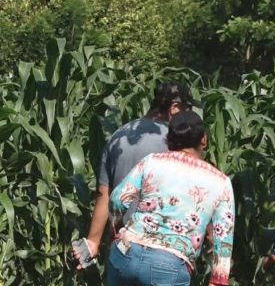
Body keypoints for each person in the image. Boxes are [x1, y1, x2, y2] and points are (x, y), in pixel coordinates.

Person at [96, 110, 234, 286]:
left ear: (169, 140)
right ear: (203, 140)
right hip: (169, 263)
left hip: (126, 250)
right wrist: (218, 282)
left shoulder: (152, 162)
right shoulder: (220, 182)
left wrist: (117, 232)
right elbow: (223, 239)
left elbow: (116, 199)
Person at [73, 82, 200, 266]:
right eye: (187, 111)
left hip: (121, 252)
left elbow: (104, 195)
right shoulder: (177, 143)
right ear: (175, 108)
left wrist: (92, 242)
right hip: (162, 254)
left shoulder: (119, 136)